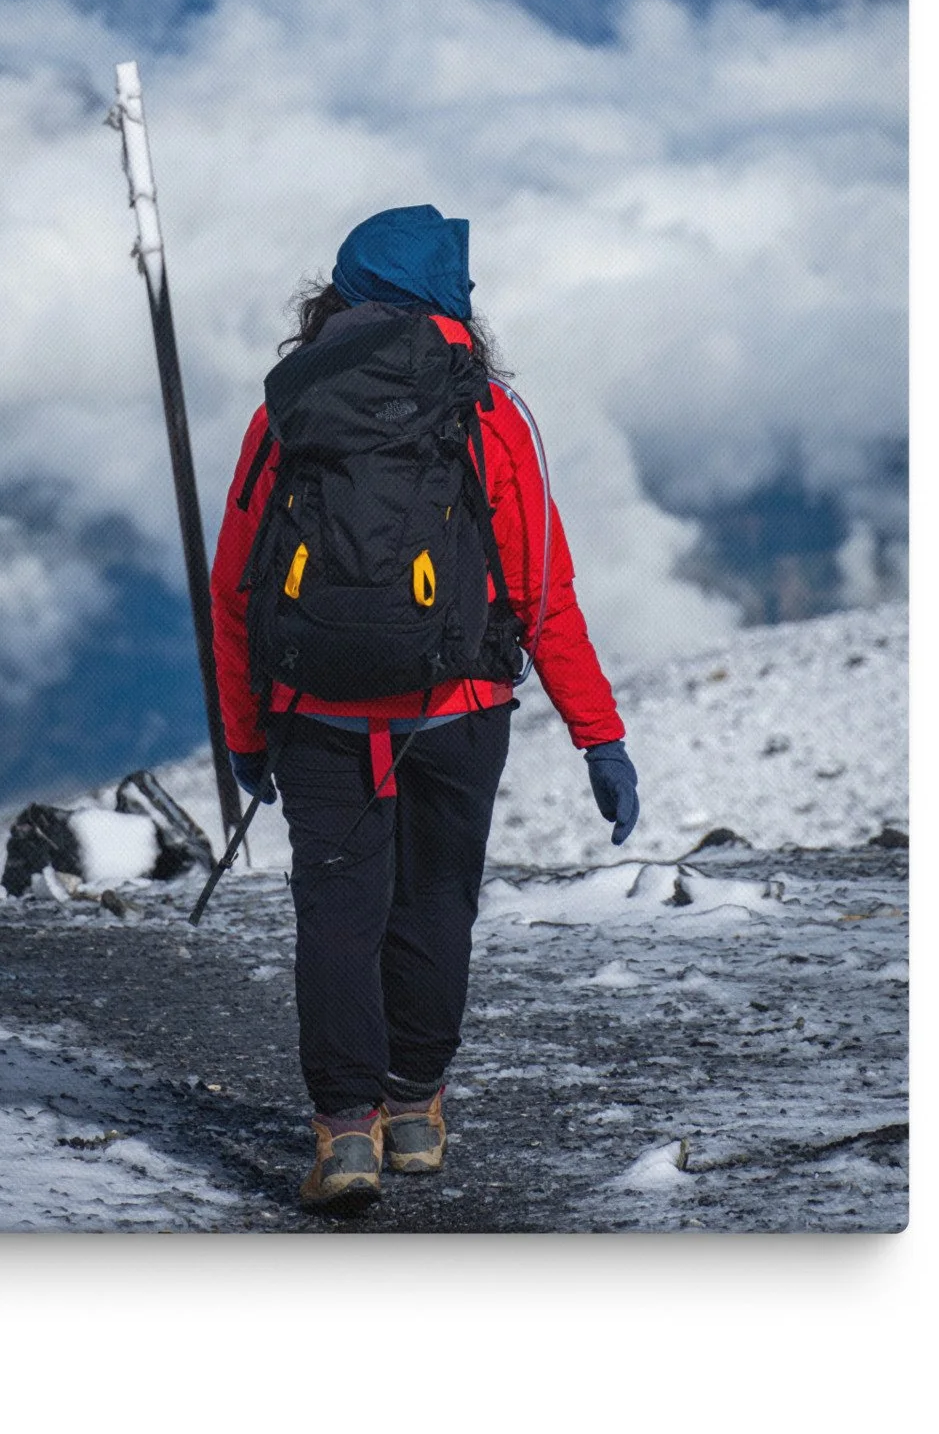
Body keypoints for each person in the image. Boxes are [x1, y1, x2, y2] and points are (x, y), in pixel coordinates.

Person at [208, 204, 641, 1213]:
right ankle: (415, 1110)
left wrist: (244, 729)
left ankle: (343, 1130)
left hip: (316, 710)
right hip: (458, 706)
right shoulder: (489, 411)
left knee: (336, 913)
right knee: (437, 899)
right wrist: (597, 732)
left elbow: (237, 586)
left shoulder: (287, 412)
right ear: (451, 299)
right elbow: (539, 588)